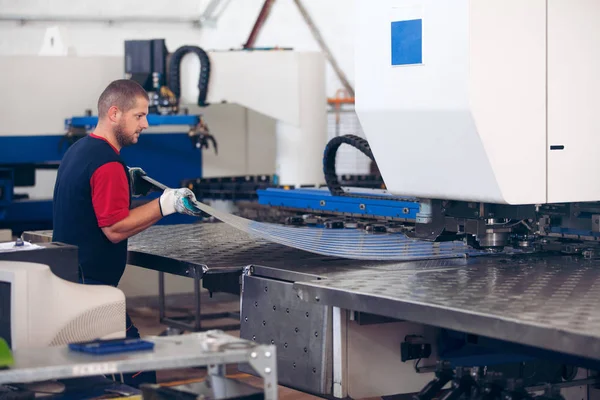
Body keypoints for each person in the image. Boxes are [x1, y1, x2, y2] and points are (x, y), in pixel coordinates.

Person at [52, 79, 202, 387]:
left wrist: (126, 186)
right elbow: (115, 228)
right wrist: (166, 204)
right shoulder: (107, 164)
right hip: (90, 293)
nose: (146, 124)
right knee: (138, 369)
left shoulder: (81, 149)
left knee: (86, 378)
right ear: (115, 113)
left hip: (73, 282)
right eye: (139, 116)